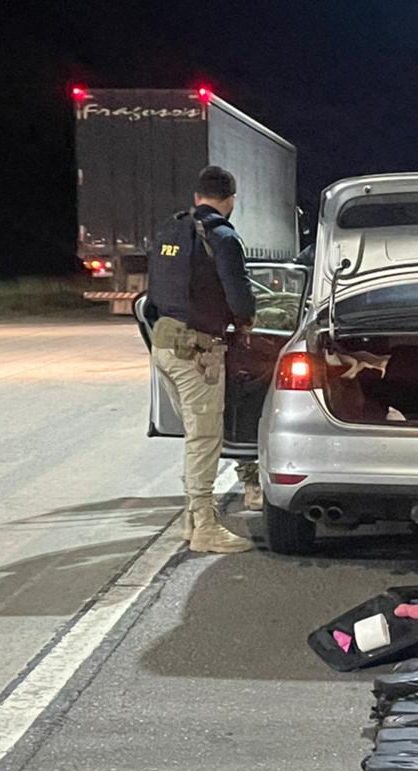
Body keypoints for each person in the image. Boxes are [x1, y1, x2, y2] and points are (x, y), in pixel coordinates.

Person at [146, 165, 257, 553]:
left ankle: (191, 523)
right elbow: (240, 298)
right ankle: (205, 527)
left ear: (197, 197)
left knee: (195, 437)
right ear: (230, 200)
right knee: (205, 439)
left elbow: (152, 294)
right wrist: (246, 321)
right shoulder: (223, 237)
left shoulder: (169, 230)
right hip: (197, 352)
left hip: (163, 346)